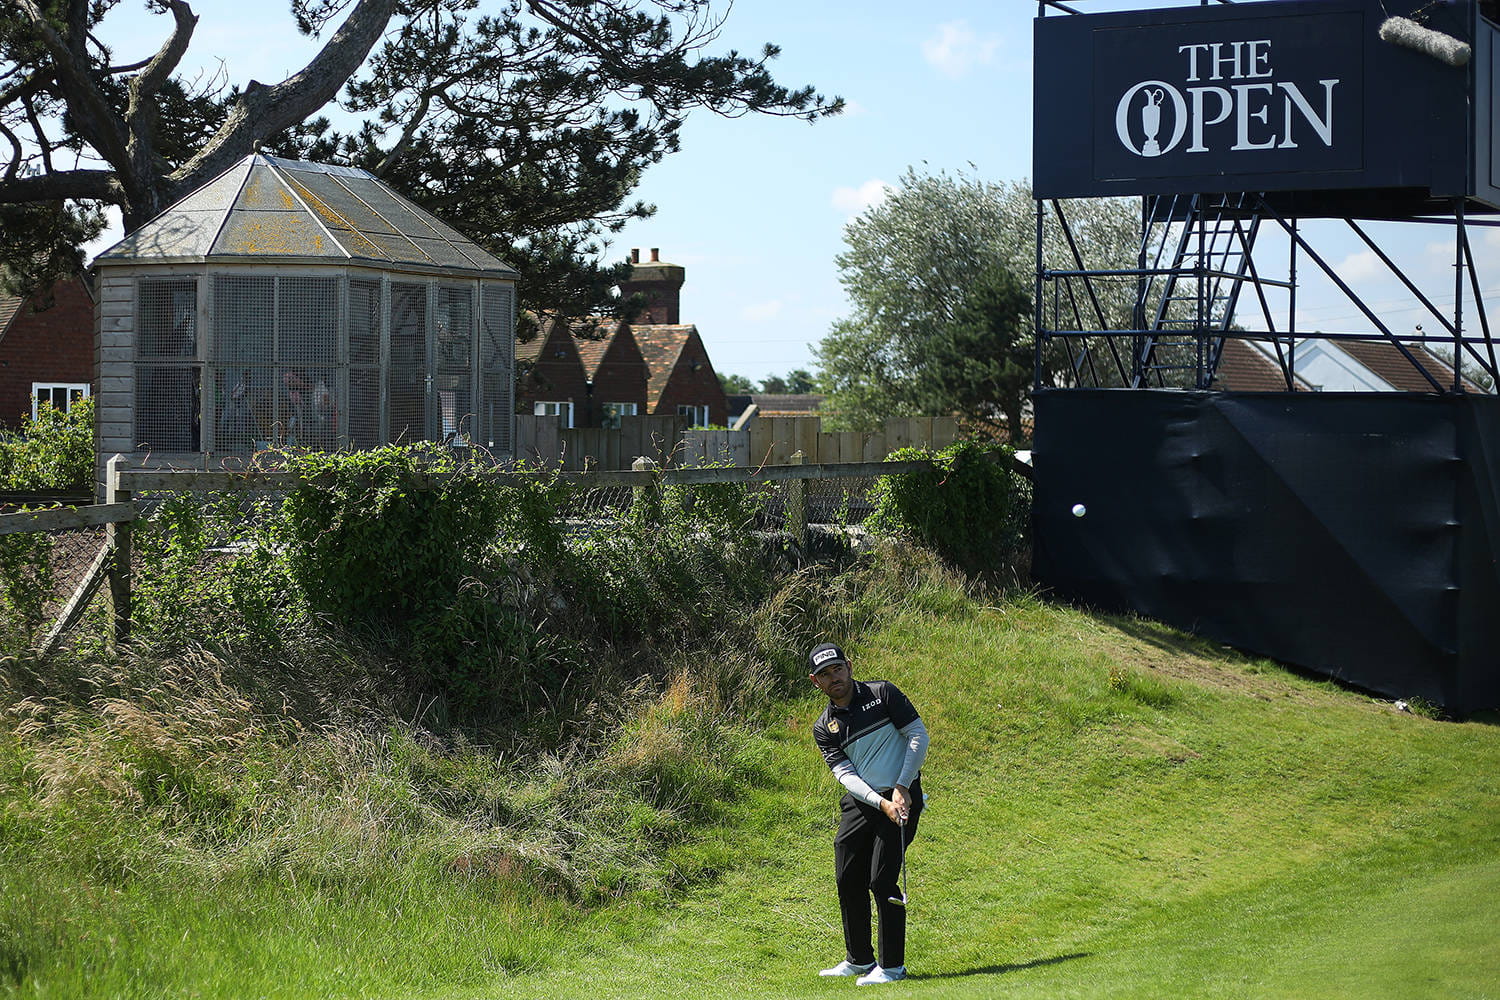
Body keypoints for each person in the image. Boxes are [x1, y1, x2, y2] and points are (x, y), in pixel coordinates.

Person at [808, 641, 929, 986]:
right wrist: (880, 803)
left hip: (902, 794)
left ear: (849, 666)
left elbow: (917, 735)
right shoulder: (824, 726)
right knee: (848, 874)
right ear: (816, 682)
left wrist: (901, 787)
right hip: (864, 802)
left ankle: (892, 967)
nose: (835, 679)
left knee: (881, 879)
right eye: (825, 675)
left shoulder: (883, 693)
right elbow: (845, 774)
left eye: (838, 670)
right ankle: (860, 958)